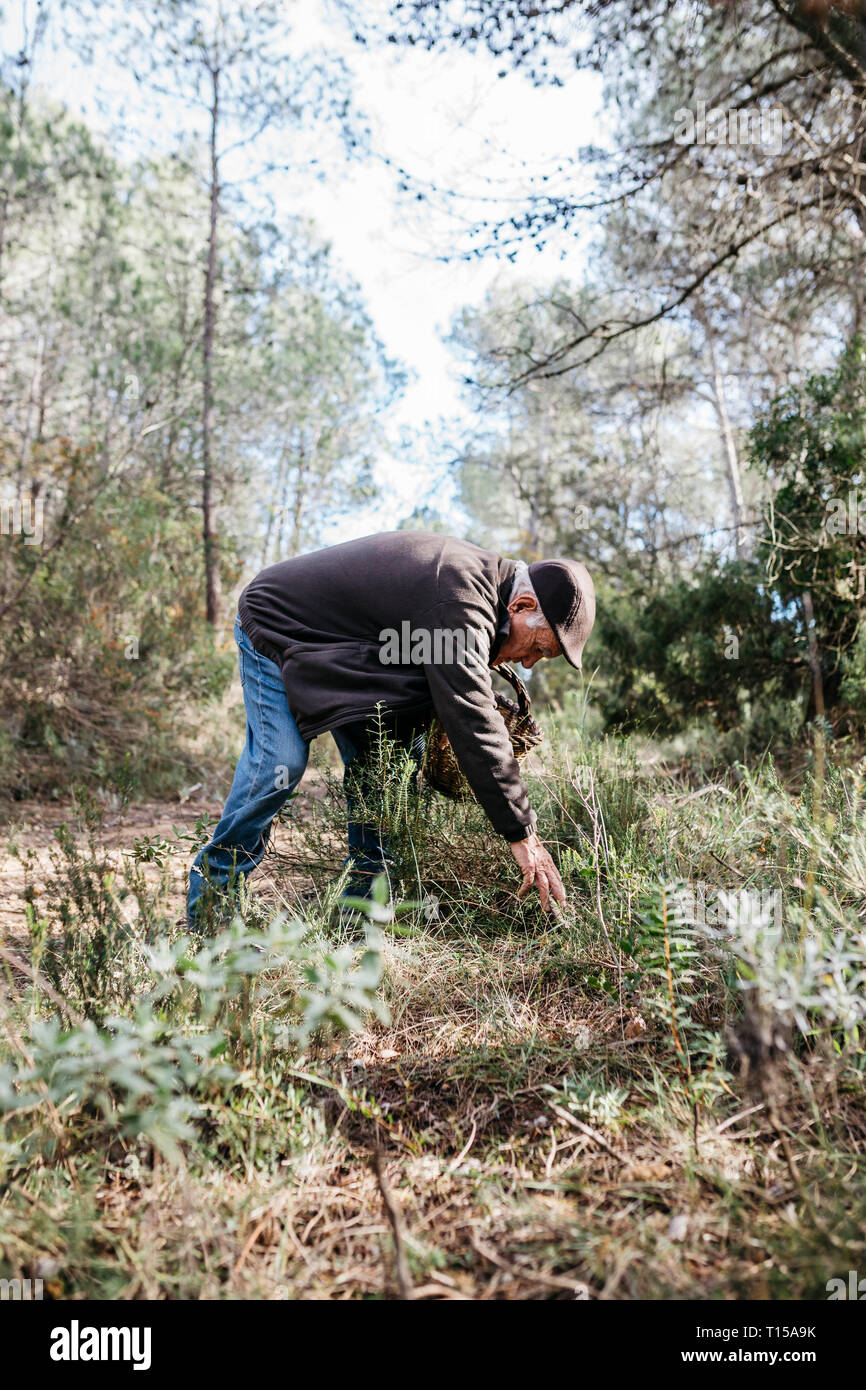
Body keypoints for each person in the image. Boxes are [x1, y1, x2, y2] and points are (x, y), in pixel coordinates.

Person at [187, 530, 595, 926]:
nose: (528, 663)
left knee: (384, 765)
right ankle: (212, 905)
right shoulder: (459, 601)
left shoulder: (481, 595)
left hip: (351, 652)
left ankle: (359, 913)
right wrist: (524, 835)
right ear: (521, 605)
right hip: (275, 620)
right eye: (540, 648)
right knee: (281, 762)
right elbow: (474, 719)